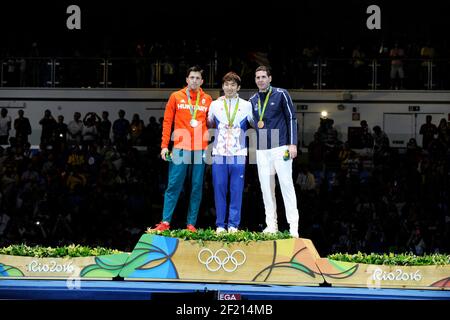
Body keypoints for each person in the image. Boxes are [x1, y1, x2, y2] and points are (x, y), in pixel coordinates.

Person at [150, 66, 212, 232]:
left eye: (198, 78)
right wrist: (164, 146)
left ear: (202, 81)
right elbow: (167, 122)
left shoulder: (207, 99)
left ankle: (191, 224)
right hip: (180, 148)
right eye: (192, 77)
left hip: (200, 149)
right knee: (173, 185)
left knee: (197, 186)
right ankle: (165, 222)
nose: (194, 81)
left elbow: (211, 125)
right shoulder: (176, 97)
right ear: (186, 79)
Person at [249, 65, 299, 237]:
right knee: (266, 189)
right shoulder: (252, 100)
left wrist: (292, 144)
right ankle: (272, 225)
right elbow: (252, 122)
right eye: (257, 77)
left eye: (263, 77)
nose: (260, 80)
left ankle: (293, 227)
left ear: (270, 78)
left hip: (281, 147)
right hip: (262, 149)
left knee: (286, 186)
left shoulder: (281, 94)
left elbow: (291, 117)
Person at [207, 72, 253, 233]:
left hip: (239, 154)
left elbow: (254, 123)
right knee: (219, 189)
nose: (229, 87)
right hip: (219, 153)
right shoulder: (214, 105)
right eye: (227, 84)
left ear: (238, 87)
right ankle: (220, 224)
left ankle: (233, 224)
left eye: (233, 85)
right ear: (222, 86)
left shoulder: (247, 105)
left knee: (236, 190)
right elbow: (209, 123)